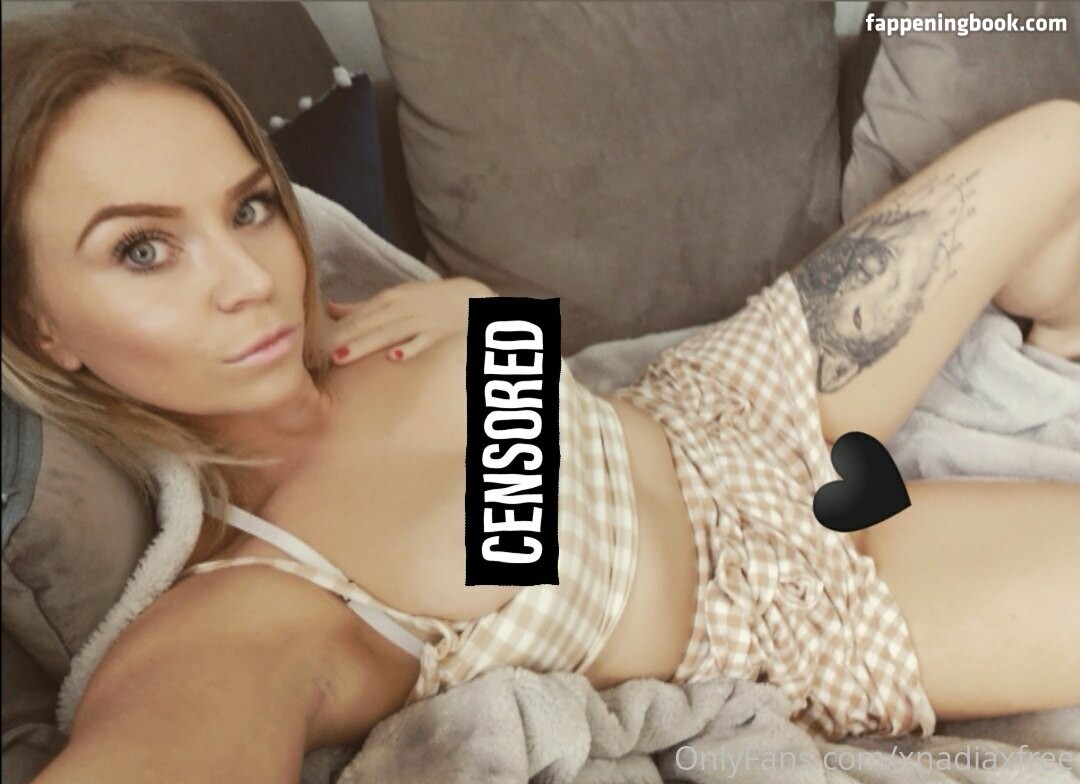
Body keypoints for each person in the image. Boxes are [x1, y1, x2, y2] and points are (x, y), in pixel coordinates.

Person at [2, 16, 1077, 784]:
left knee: (1060, 144)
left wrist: (484, 312)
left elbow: (530, 408)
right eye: (142, 250)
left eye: (246, 208)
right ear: (40, 324)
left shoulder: (340, 327)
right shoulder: (252, 611)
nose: (247, 278)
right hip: (798, 598)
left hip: (727, 393)